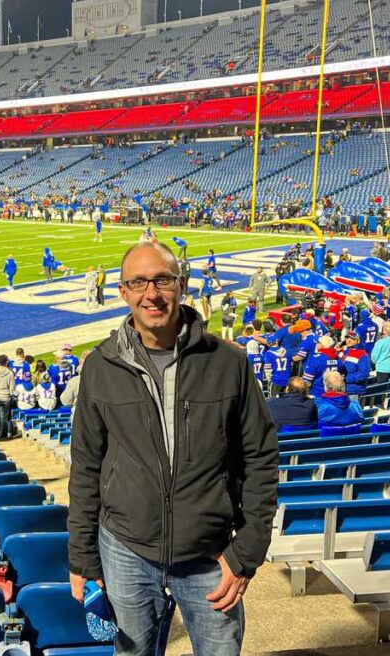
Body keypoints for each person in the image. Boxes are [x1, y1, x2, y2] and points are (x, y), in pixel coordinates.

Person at [68, 242, 278, 656]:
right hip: (126, 547)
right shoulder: (99, 366)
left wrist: (248, 551)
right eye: (138, 283)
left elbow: (260, 457)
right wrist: (82, 557)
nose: (152, 293)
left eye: (162, 279)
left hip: (208, 550)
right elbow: (87, 466)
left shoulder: (229, 361)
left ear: (181, 285)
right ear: (123, 292)